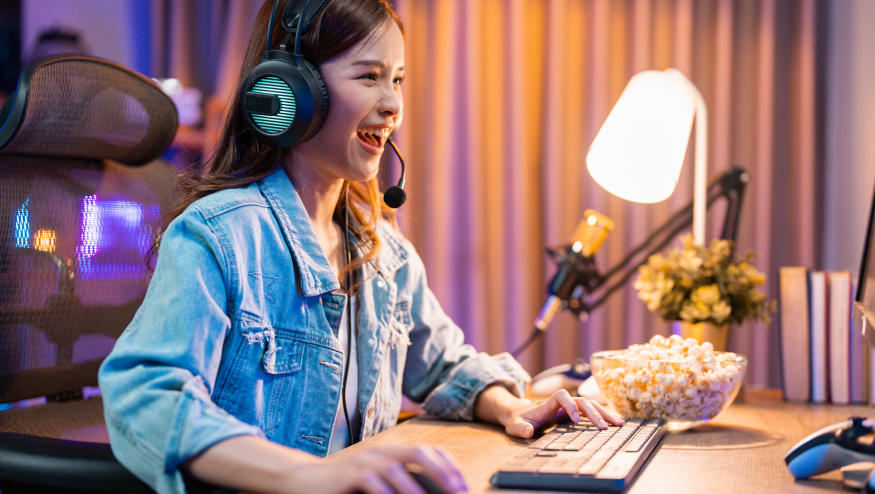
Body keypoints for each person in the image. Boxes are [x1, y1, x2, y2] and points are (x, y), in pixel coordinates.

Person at [98, 1, 624, 493]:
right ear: (291, 91)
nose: (393, 104)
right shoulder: (219, 235)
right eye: (369, 76)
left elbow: (444, 366)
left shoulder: (383, 253)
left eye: (397, 80)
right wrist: (310, 476)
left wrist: (511, 407)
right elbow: (148, 399)